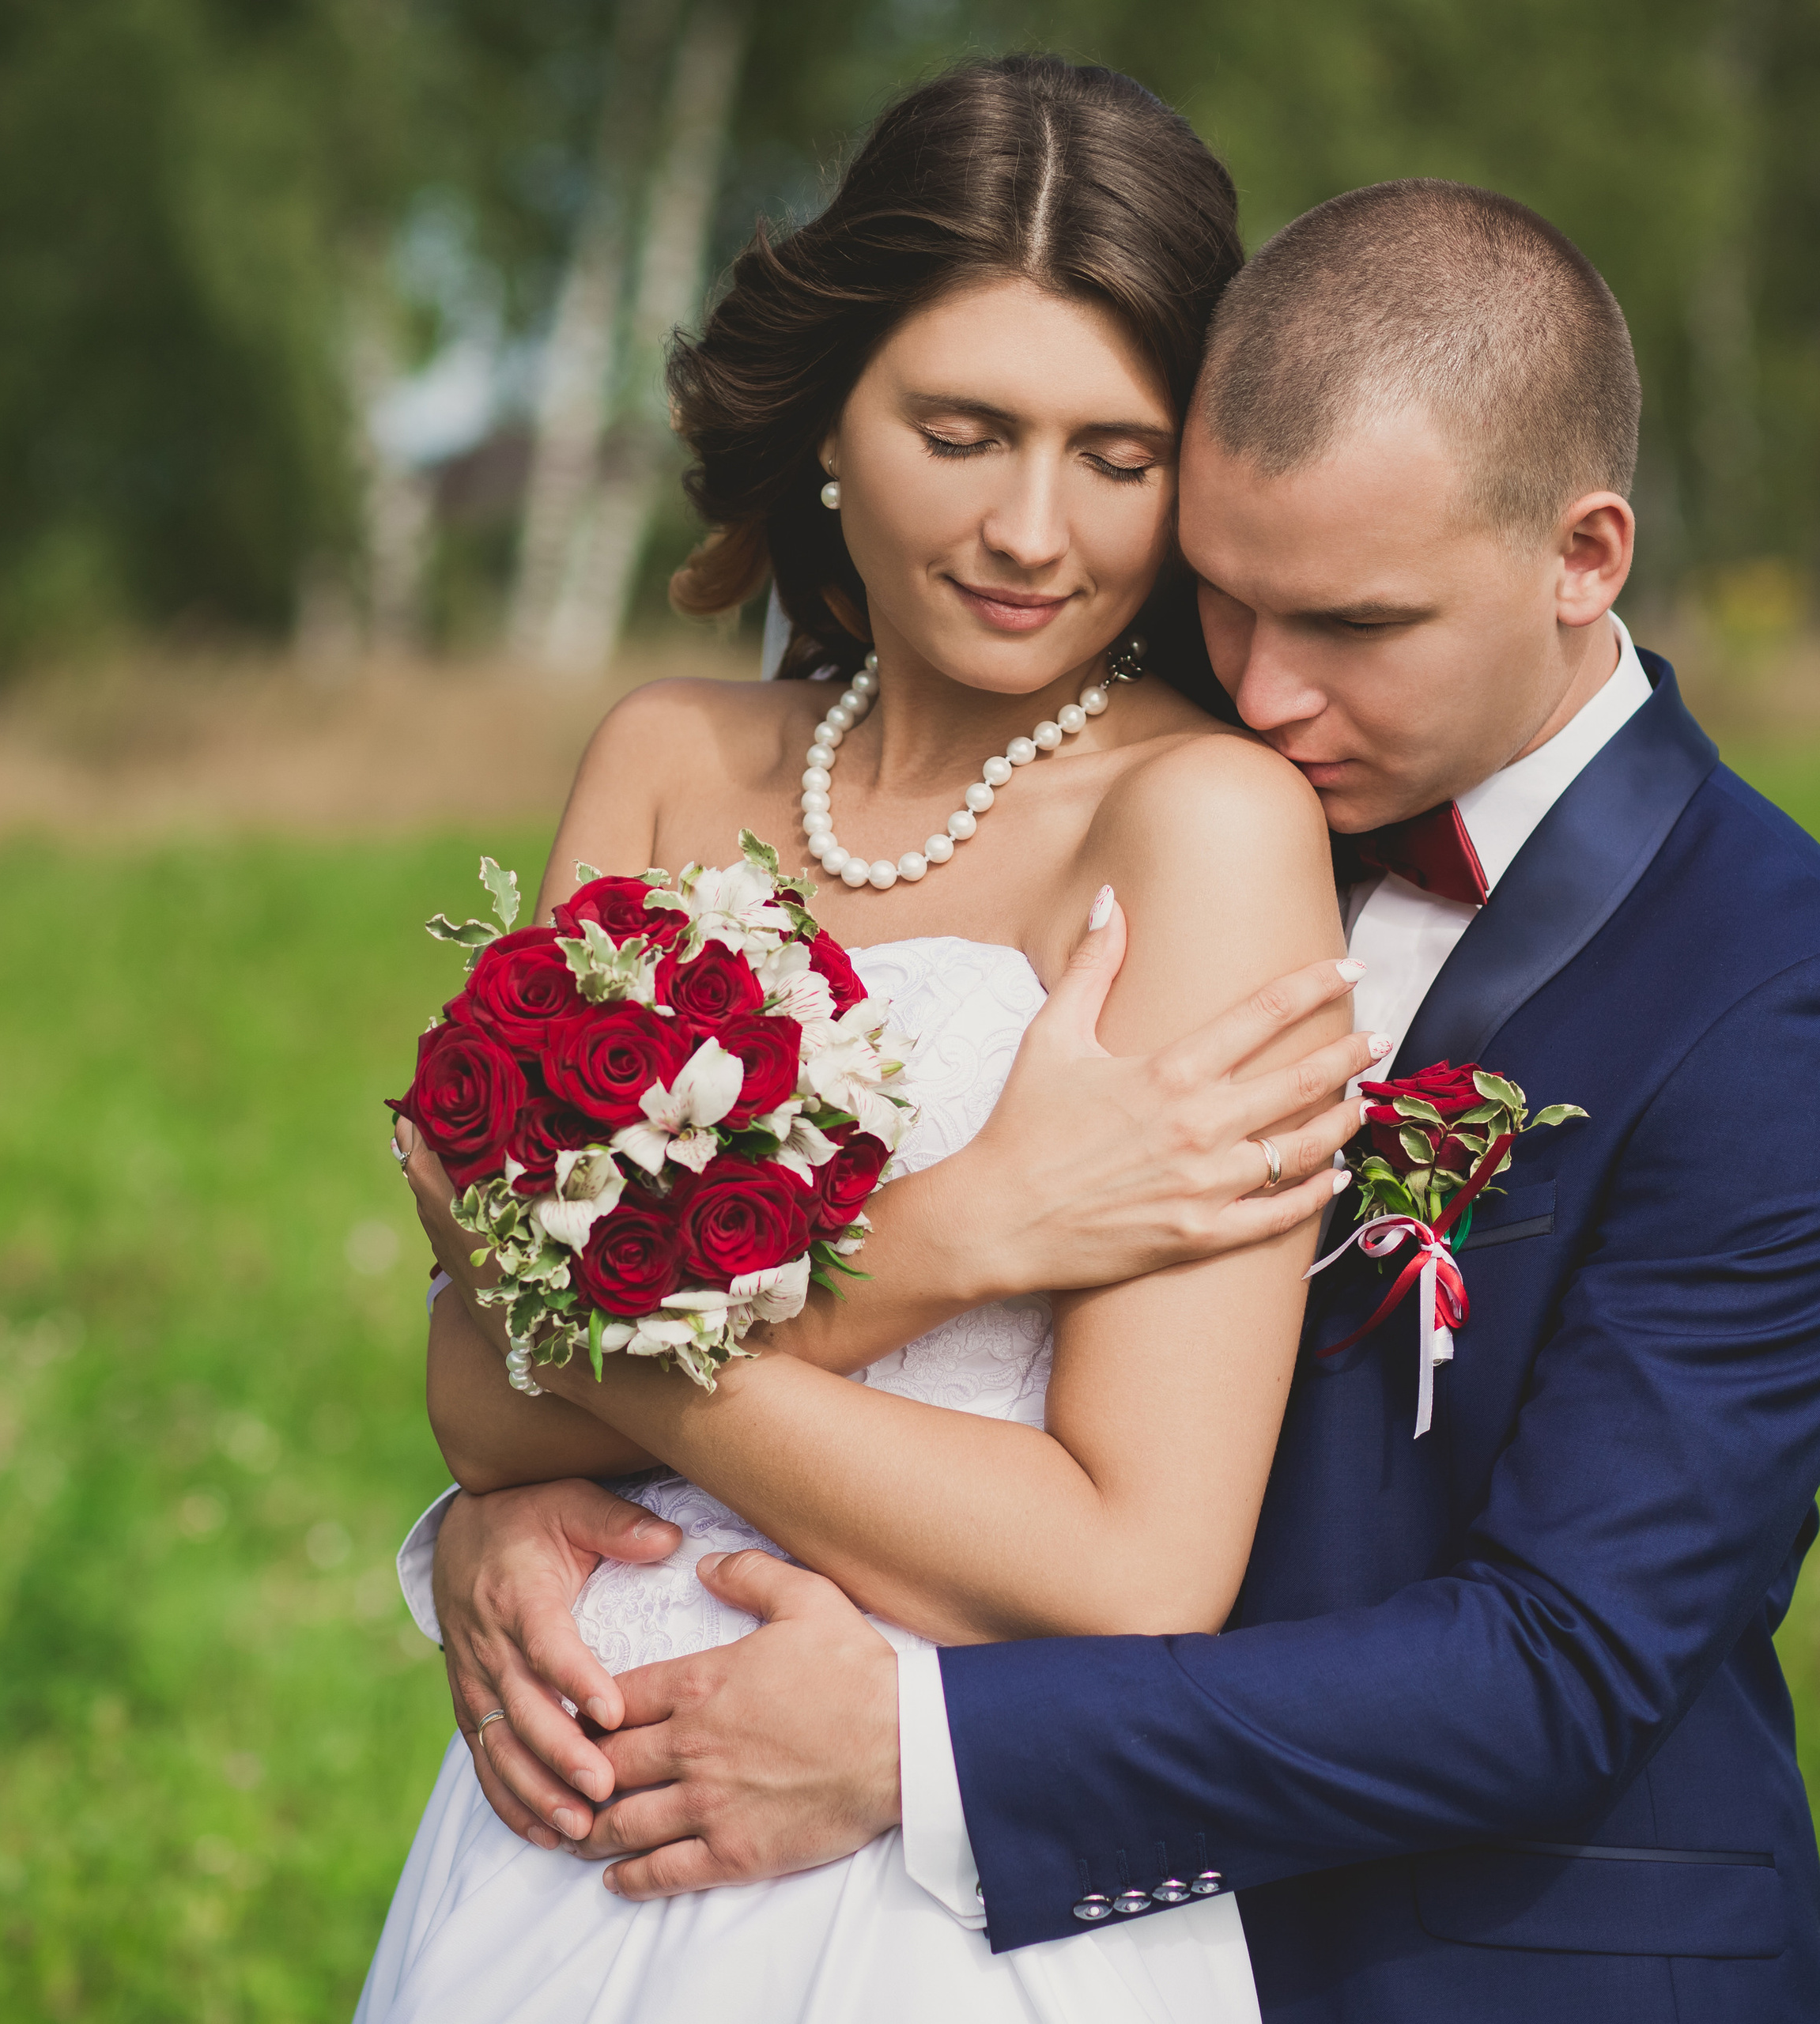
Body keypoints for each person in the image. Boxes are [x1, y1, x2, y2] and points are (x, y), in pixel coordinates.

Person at [412, 176, 1820, 2020]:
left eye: (1351, 625)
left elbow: (1557, 1660)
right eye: (1224, 603)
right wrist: (518, 1513)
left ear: (1582, 556)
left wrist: (924, 1735)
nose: (1263, 689)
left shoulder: (1761, 979)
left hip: (1483, 1958)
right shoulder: (1159, 794)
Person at [354, 55, 1391, 2024]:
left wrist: (590, 1348)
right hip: (552, 1819)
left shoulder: (1202, 826)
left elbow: (1127, 1568)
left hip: (908, 1862)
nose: (1028, 526)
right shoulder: (665, 762)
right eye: (961, 427)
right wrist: (956, 1233)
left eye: (1117, 451)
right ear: (834, 418)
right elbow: (475, 1414)